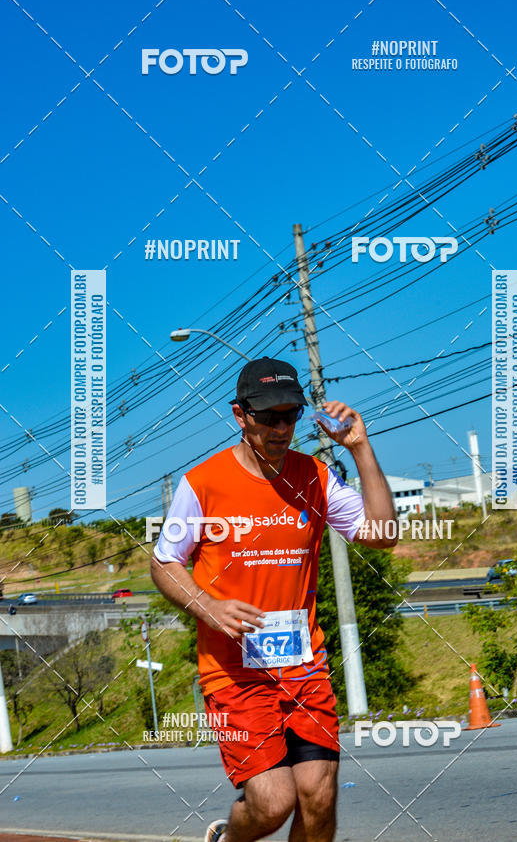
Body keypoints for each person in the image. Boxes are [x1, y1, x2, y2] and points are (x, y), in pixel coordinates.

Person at [151, 356, 398, 842]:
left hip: (303, 667)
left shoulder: (315, 476)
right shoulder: (203, 484)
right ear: (240, 415)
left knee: (318, 796)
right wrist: (209, 607)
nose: (282, 428)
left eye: (291, 415)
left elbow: (383, 534)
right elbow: (164, 564)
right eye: (269, 417)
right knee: (272, 802)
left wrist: (360, 448)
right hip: (235, 675)